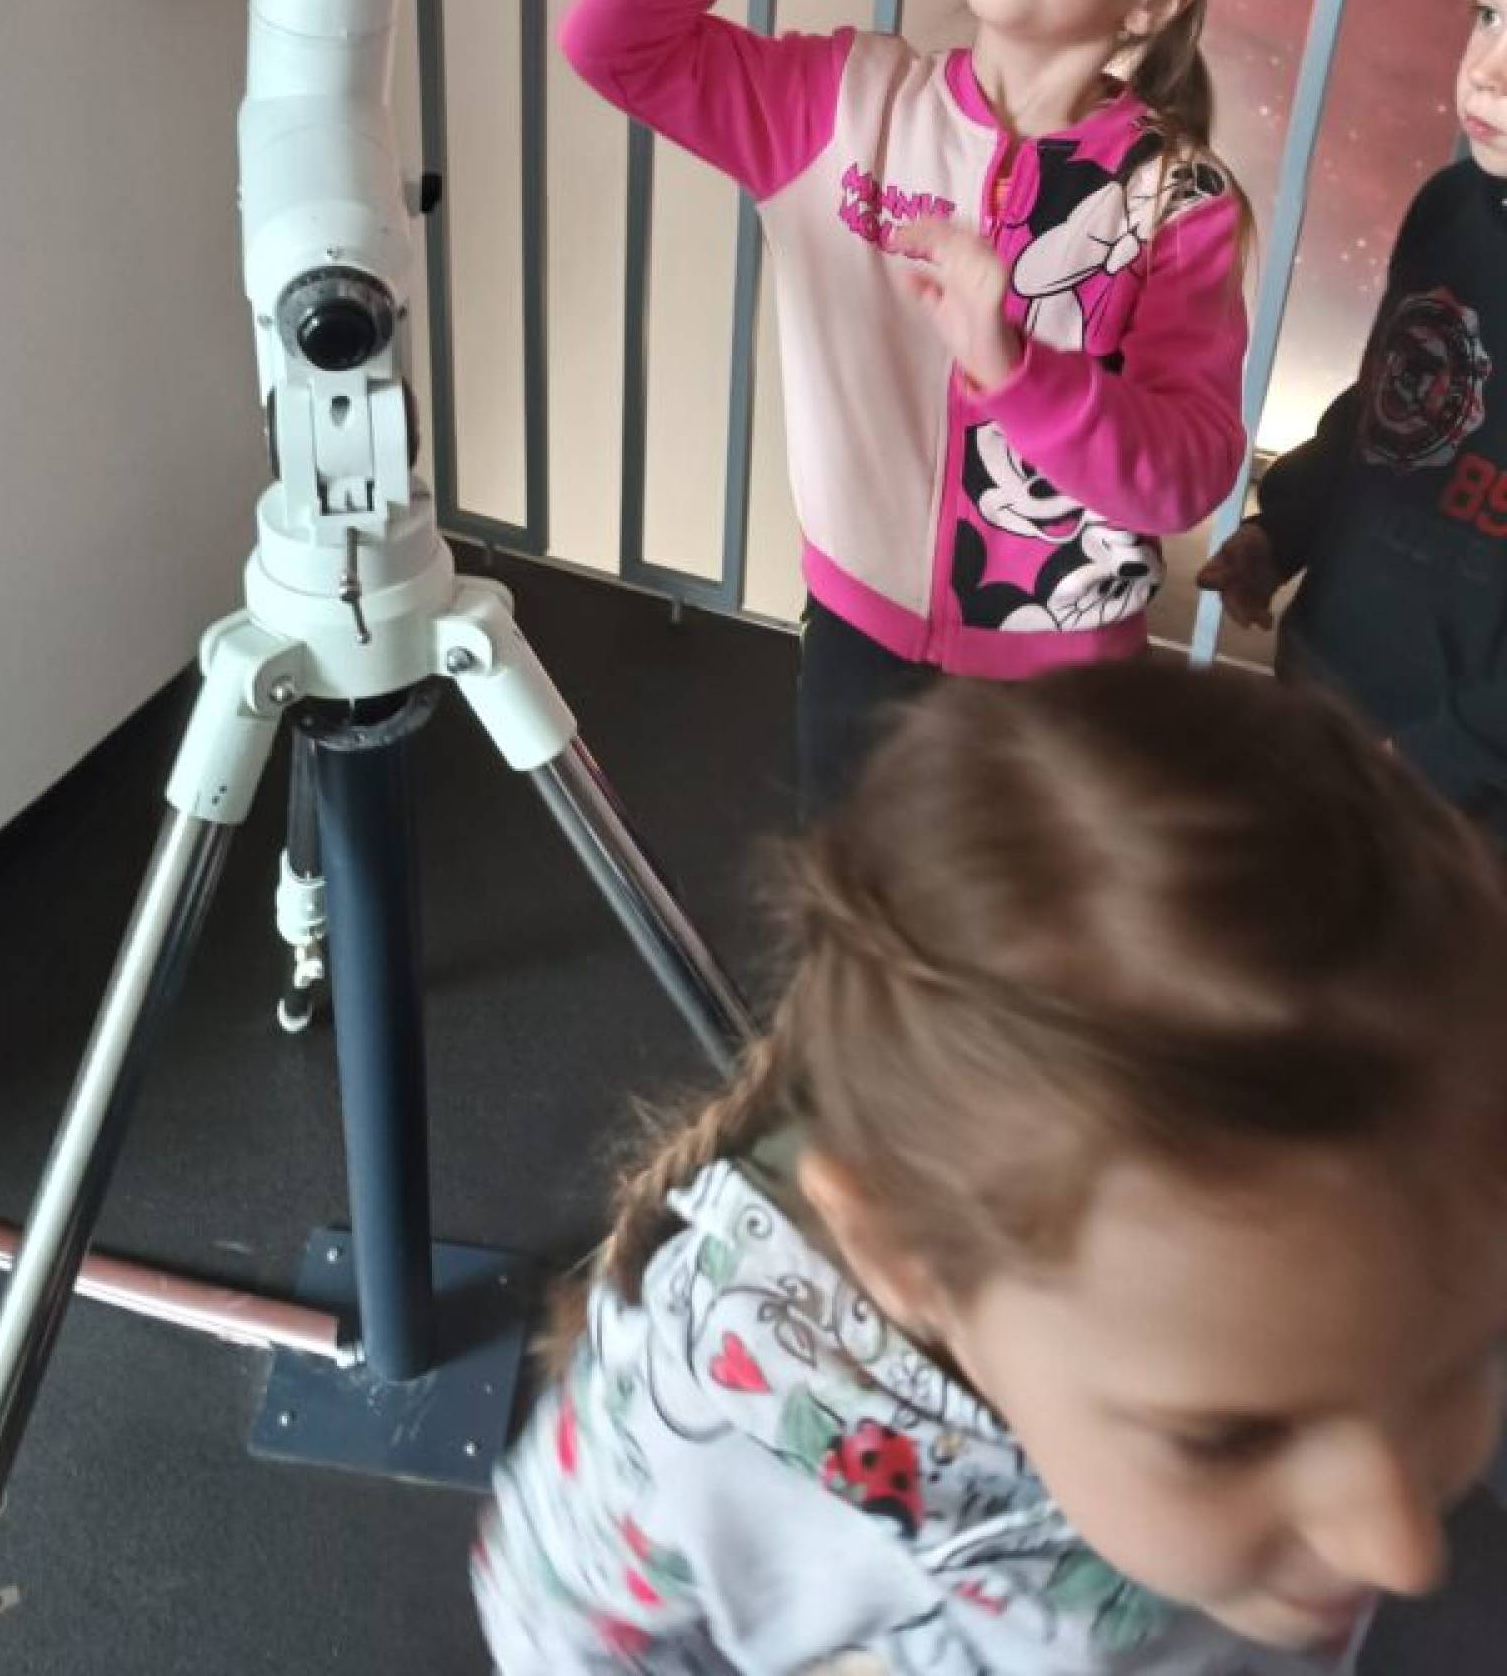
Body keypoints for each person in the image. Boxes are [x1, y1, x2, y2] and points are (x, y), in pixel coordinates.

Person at [473, 661, 1507, 1672]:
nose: (1403, 1551)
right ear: (907, 1259)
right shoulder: (710, 1405)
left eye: (1461, 1362)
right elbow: (554, 1623)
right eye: (1224, 1439)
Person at [560, 0, 1262, 813]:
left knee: (1016, 924)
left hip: (1066, 693)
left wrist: (1018, 372)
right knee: (850, 899)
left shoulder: (1178, 203)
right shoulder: (842, 103)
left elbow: (1185, 476)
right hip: (857, 645)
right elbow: (612, 45)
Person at [1197, 0, 1507, 839]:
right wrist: (1283, 528)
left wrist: (1443, 760)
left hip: (1469, 792)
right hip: (1327, 681)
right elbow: (1381, 408)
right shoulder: (1449, 207)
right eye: (1489, 14)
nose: (1487, 70)